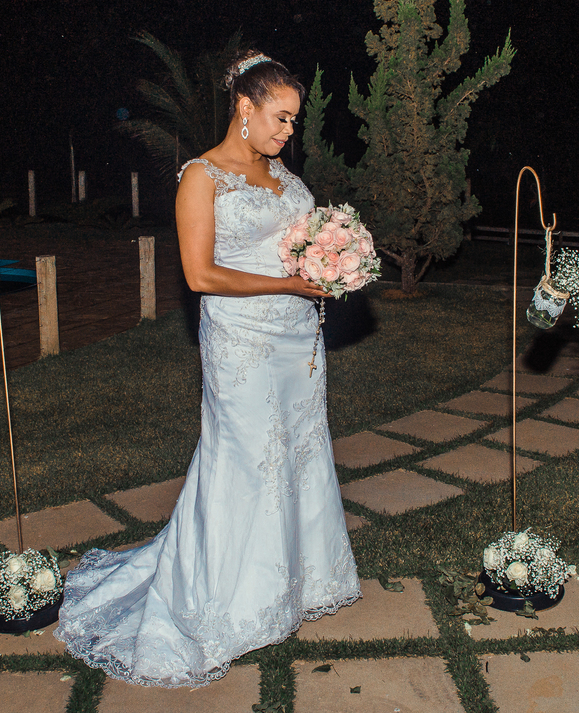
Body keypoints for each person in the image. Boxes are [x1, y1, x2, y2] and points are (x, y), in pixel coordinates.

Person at [54, 50, 361, 688]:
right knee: (246, 459)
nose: (288, 133)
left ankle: (293, 585)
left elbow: (299, 243)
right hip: (242, 341)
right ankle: (227, 604)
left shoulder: (284, 176)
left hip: (297, 341)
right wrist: (294, 286)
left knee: (298, 452)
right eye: (279, 118)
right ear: (243, 108)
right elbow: (200, 275)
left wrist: (330, 261)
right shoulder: (202, 176)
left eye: (294, 122)